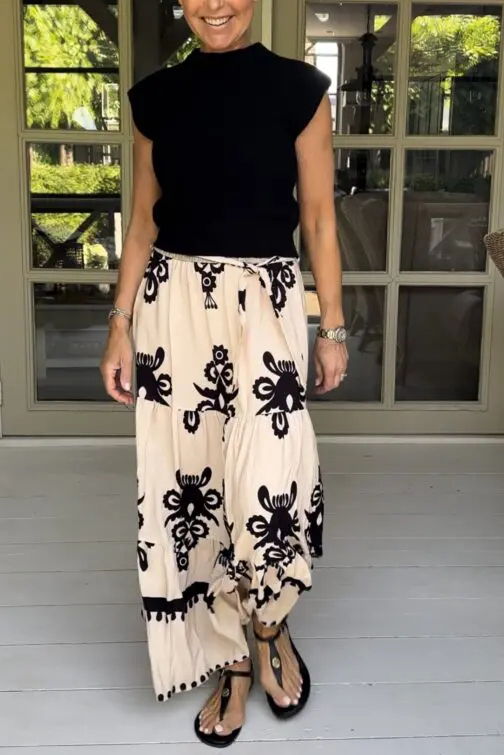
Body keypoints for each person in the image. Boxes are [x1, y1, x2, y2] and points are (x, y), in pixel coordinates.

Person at [100, 0, 348, 747]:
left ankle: (270, 624)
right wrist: (120, 324)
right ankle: (230, 657)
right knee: (194, 483)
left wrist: (332, 326)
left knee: (271, 477)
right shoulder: (155, 98)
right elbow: (143, 222)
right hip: (173, 311)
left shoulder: (299, 90)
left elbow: (318, 217)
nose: (215, 7)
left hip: (264, 307)